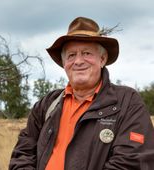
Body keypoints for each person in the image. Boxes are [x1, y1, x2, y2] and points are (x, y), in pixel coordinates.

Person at [9, 17, 154, 170]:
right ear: (64, 63)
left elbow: (133, 162)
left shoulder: (127, 102)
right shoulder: (47, 105)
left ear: (102, 59)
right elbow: (22, 153)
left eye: (86, 53)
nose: (78, 61)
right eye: (71, 55)